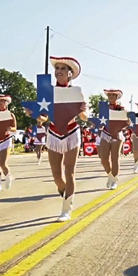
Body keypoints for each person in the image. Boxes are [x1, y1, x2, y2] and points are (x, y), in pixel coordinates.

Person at [40, 56, 87, 221]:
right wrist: (36, 116)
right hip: (53, 133)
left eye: (62, 69)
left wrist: (82, 110)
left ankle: (66, 209)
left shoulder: (76, 92)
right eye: (57, 68)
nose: (59, 71)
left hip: (71, 133)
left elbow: (84, 117)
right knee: (56, 176)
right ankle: (65, 192)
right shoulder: (48, 91)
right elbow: (44, 117)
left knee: (69, 172)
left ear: (70, 73)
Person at [99, 89, 128, 189]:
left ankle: (115, 179)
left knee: (114, 158)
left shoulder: (121, 109)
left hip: (117, 134)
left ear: (116, 97)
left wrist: (120, 128)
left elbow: (126, 122)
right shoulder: (103, 108)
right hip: (106, 133)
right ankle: (110, 175)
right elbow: (100, 120)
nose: (111, 96)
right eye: (109, 95)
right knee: (103, 159)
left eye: (113, 95)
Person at [0, 95, 17, 192]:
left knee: (3, 163)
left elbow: (15, 128)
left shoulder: (11, 115)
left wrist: (11, 129)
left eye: (2, 101)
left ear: (6, 102)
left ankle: (8, 176)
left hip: (6, 139)